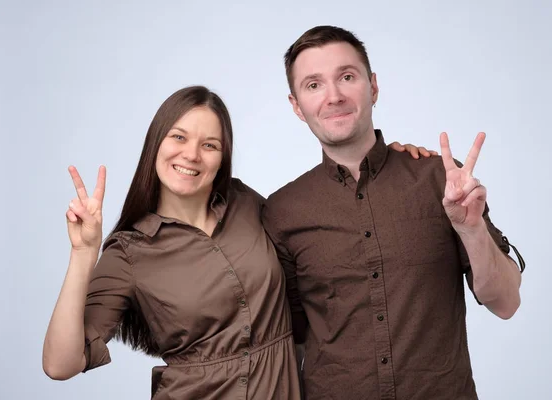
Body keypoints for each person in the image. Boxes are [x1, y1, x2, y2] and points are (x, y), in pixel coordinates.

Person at [42, 85, 432, 399]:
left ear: (222, 156)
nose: (191, 154)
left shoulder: (247, 203)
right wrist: (82, 253)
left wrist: (387, 167)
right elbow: (61, 366)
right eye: (179, 136)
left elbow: (323, 226)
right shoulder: (128, 253)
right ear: (156, 143)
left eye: (209, 145)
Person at [262, 26, 526, 400]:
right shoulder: (282, 212)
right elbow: (291, 342)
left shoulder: (440, 181)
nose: (334, 96)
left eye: (347, 77)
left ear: (373, 87)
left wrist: (472, 230)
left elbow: (506, 303)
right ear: (296, 106)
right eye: (314, 85)